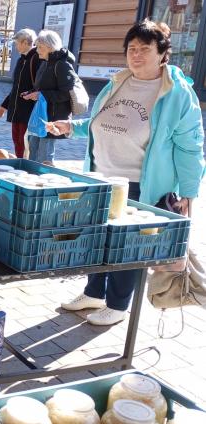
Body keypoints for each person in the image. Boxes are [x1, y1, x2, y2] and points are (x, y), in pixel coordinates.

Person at [46, 20, 205, 326]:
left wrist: (189, 192)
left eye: (145, 49)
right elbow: (102, 121)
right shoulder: (119, 81)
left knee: (128, 248)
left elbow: (191, 147)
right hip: (102, 177)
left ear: (162, 53)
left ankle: (118, 305)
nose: (136, 55)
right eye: (132, 49)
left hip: (140, 186)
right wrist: (72, 128)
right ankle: (93, 292)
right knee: (99, 240)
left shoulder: (177, 94)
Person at [22, 29, 77, 166]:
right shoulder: (46, 63)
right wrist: (31, 92)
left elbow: (66, 93)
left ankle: (42, 183)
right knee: (32, 152)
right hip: (41, 115)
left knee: (44, 157)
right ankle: (30, 180)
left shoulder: (62, 65)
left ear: (50, 47)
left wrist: (41, 95)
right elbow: (43, 88)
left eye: (40, 47)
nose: (37, 50)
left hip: (52, 118)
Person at [0, 28, 40, 159]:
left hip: (29, 110)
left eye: (17, 43)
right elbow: (16, 87)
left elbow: (39, 87)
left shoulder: (37, 59)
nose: (15, 47)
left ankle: (24, 167)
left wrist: (31, 95)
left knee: (25, 143)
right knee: (17, 141)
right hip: (17, 109)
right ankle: (20, 163)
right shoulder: (21, 60)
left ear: (26, 42)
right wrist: (4, 105)